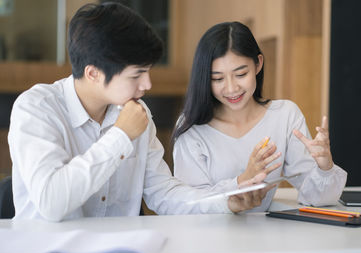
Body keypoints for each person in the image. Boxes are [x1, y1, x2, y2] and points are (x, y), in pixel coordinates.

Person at [8, 4, 276, 222]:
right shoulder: (36, 108)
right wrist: (121, 135)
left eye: (148, 71)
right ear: (93, 73)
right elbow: (51, 203)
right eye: (136, 75)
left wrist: (225, 200)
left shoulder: (136, 112)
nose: (147, 85)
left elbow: (164, 194)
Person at [172, 21, 347, 211]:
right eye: (217, 79)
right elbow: (189, 205)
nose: (231, 88)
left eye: (241, 74)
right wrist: (244, 179)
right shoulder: (192, 126)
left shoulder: (285, 115)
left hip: (265, 236)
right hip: (211, 237)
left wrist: (324, 167)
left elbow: (318, 199)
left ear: (258, 64)